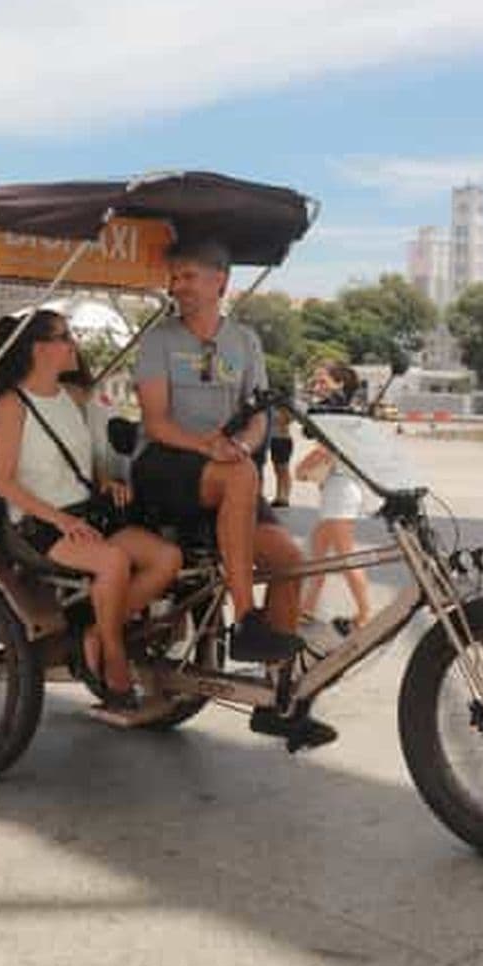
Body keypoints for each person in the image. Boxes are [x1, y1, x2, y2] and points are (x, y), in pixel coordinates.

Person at [133, 238, 336, 747]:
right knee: (240, 475)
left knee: (289, 559)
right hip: (166, 466)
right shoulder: (159, 341)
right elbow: (156, 423)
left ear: (220, 281)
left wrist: (243, 445)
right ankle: (245, 618)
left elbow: (260, 413)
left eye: (188, 276)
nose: (177, 286)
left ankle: (278, 697)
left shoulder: (244, 341)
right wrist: (210, 447)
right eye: (174, 277)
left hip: (227, 472)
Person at [0, 309, 181, 709]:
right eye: (63, 337)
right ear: (38, 349)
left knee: (168, 558)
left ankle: (96, 631)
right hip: (37, 523)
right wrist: (60, 518)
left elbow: (81, 458)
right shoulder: (12, 404)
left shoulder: (73, 397)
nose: (72, 344)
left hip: (85, 511)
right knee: (112, 562)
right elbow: (2, 482)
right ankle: (113, 658)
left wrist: (104, 482)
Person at [296, 362, 372, 628]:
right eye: (315, 383)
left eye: (322, 381)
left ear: (340, 384)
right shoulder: (339, 413)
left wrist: (301, 469)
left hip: (340, 491)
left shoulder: (339, 416)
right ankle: (306, 608)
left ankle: (364, 614)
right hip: (336, 489)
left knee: (345, 557)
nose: (317, 387)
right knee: (317, 555)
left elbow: (327, 451)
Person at [268, 404, 294, 508]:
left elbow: (286, 420)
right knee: (277, 469)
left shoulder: (285, 408)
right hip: (273, 439)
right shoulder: (272, 407)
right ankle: (279, 495)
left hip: (283, 439)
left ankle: (285, 496)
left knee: (283, 469)